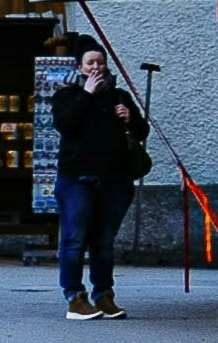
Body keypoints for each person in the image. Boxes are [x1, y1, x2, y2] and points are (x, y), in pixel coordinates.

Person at [54, 47, 152, 318]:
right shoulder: (67, 95)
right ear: (80, 67)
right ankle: (74, 297)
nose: (96, 67)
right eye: (90, 63)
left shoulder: (119, 96)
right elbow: (66, 124)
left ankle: (104, 295)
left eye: (100, 62)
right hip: (77, 179)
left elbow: (142, 132)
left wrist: (129, 118)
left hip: (115, 180)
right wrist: (86, 94)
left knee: (104, 241)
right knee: (74, 239)